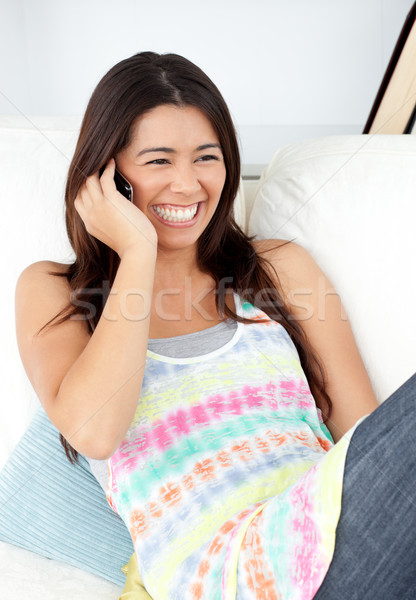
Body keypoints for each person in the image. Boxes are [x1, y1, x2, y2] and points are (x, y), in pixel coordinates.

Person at [14, 51, 416, 600]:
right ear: (106, 175)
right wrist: (137, 253)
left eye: (207, 157)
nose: (188, 184)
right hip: (222, 576)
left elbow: (369, 443)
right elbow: (96, 431)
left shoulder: (277, 267)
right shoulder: (54, 291)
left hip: (334, 540)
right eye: (158, 161)